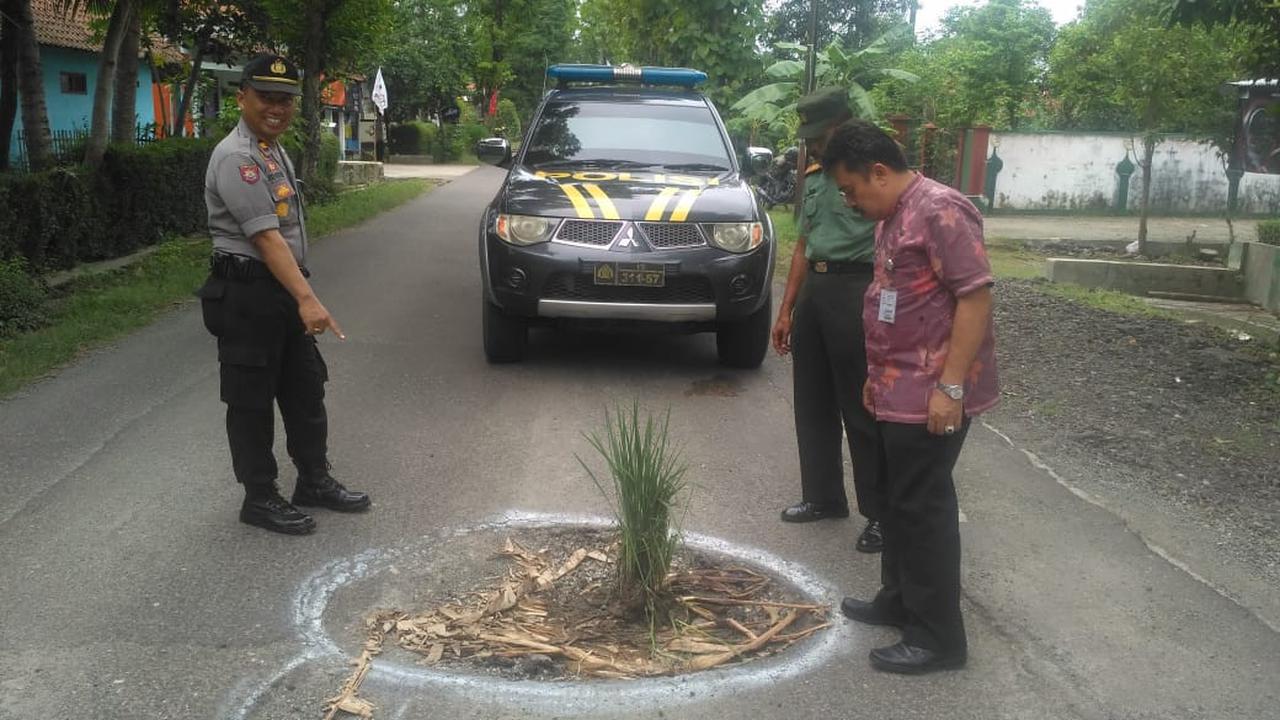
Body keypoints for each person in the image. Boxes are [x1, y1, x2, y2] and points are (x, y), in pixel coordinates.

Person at [823, 119, 999, 674]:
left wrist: (950, 388)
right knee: (896, 501)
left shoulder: (943, 210)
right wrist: (876, 375)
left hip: (932, 395)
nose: (850, 201)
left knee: (924, 510)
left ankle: (938, 637)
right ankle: (899, 600)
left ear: (879, 171)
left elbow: (975, 298)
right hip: (895, 389)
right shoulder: (892, 215)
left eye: (852, 189)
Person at [197, 54, 370, 535]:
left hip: (277, 293)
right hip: (248, 296)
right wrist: (308, 297)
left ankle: (313, 480)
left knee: (304, 387)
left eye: (285, 99)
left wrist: (296, 296)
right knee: (251, 400)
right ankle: (259, 497)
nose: (276, 107)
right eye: (265, 97)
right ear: (242, 98)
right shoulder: (238, 158)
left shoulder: (270, 149)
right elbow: (267, 238)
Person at [772, 88, 883, 554]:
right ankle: (823, 496)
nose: (812, 146)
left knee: (862, 408)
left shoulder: (874, 173)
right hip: (816, 291)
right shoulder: (816, 178)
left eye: (818, 136)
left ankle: (881, 514)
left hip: (857, 288)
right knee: (812, 401)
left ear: (840, 125)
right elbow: (802, 244)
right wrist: (787, 308)